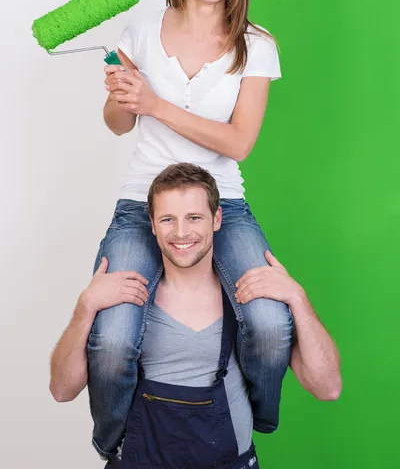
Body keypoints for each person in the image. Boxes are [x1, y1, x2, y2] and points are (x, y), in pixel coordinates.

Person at [89, 0, 292, 460]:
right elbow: (118, 124)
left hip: (221, 203)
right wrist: (121, 95)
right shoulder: (141, 32)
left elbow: (238, 142)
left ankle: (252, 418)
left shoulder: (256, 44)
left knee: (272, 327)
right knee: (110, 343)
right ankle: (115, 444)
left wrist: (156, 102)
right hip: (142, 204)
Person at [50, 163, 342, 469]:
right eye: (167, 219)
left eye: (194, 218)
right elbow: (61, 390)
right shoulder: (125, 301)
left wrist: (298, 298)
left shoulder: (247, 303)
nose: (181, 232)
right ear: (151, 224)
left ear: (217, 219)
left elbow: (328, 387)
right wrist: (85, 307)